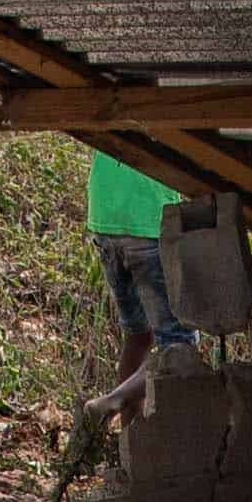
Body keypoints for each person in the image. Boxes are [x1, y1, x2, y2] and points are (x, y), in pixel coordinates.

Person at [89, 147, 184, 355]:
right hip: (148, 216)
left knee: (139, 336)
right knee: (176, 344)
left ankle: (120, 388)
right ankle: (113, 391)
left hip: (105, 215)